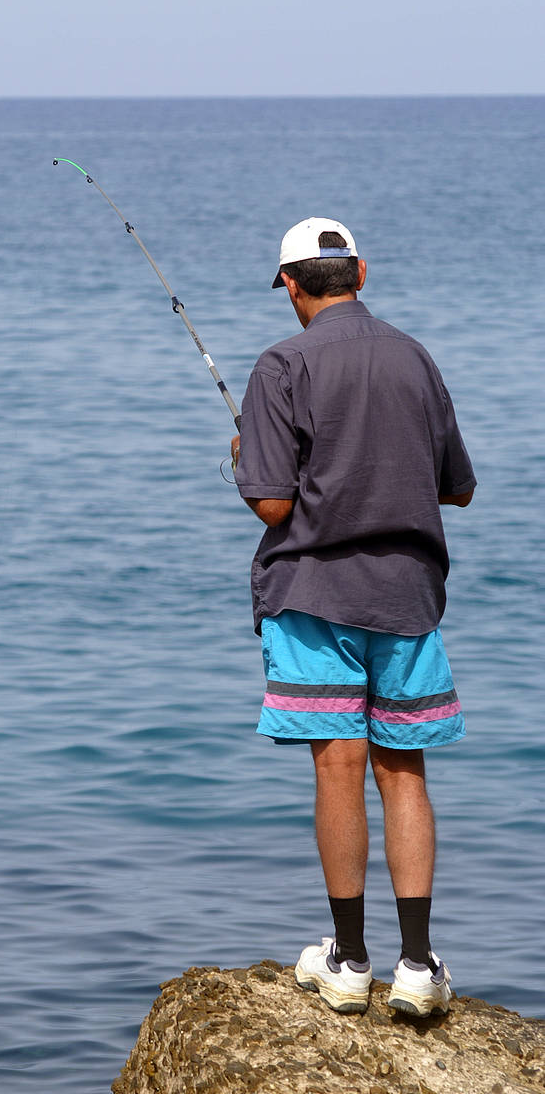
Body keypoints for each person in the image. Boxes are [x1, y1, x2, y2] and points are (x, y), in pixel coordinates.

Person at [232, 217, 475, 1018]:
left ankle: (348, 959)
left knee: (337, 765)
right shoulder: (413, 357)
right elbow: (456, 486)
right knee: (402, 772)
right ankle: (415, 963)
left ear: (292, 286)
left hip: (312, 596)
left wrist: (245, 459)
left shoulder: (281, 364)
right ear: (359, 272)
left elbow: (272, 502)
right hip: (404, 595)